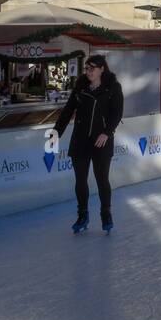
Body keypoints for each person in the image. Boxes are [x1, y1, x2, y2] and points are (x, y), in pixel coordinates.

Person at [54, 54, 124, 234]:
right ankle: (82, 215)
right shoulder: (80, 87)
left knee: (102, 180)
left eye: (92, 68)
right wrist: (55, 133)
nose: (88, 71)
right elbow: (67, 111)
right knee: (80, 181)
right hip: (80, 140)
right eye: (86, 68)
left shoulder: (113, 88)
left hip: (101, 141)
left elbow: (117, 113)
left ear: (102, 68)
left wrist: (107, 133)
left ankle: (106, 213)